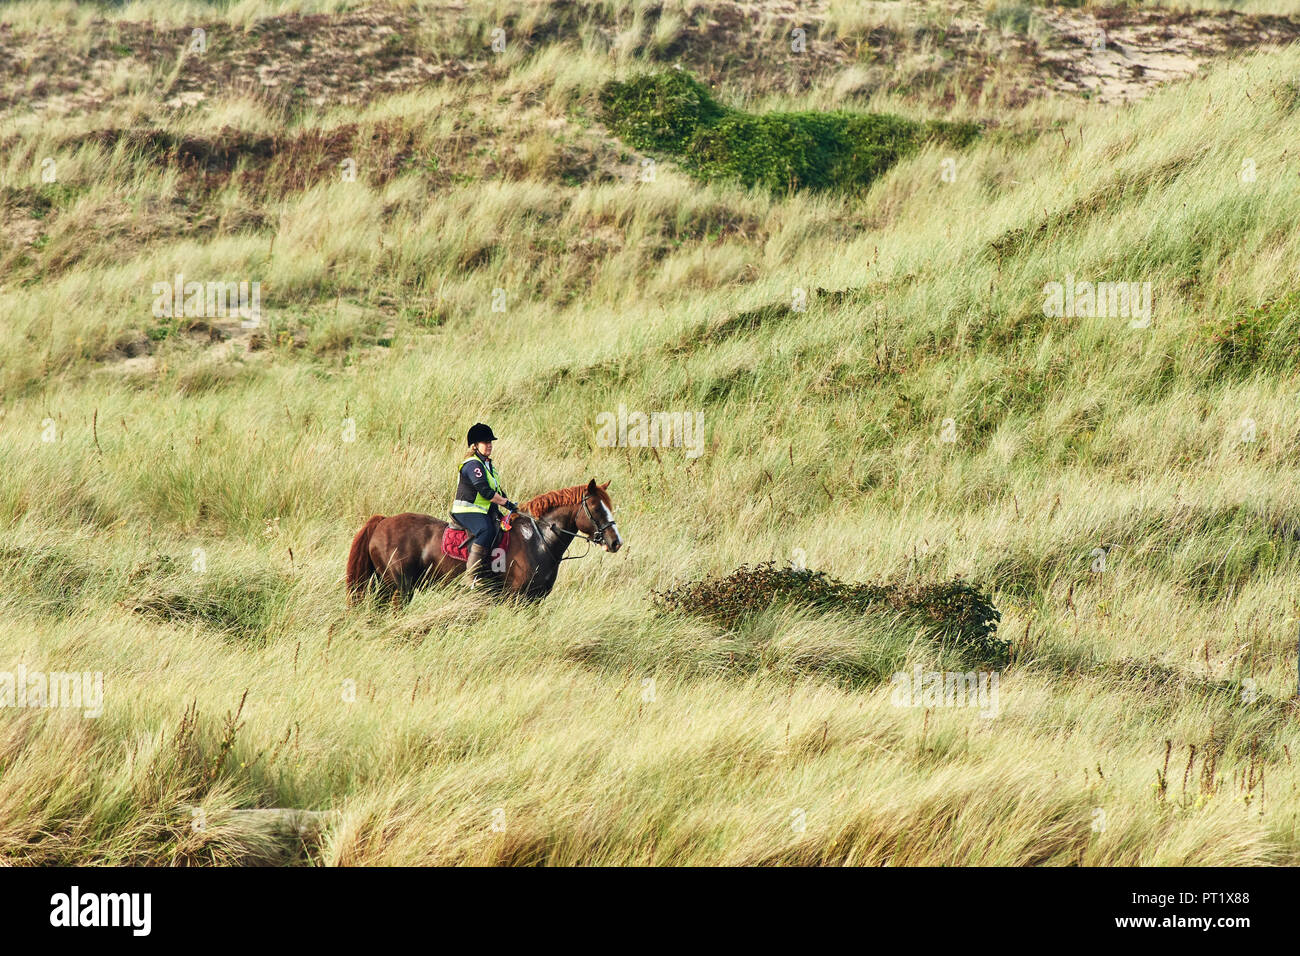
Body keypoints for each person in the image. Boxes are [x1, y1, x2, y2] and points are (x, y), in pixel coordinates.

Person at [450, 423, 517, 588]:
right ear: (475, 445)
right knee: (485, 530)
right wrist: (506, 504)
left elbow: (498, 491)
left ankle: (494, 571)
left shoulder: (489, 466)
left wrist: (512, 508)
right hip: (466, 510)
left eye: (490, 442)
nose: (489, 445)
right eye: (485, 442)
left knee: (502, 530)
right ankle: (471, 577)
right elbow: (485, 491)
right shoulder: (473, 465)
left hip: (484, 511)